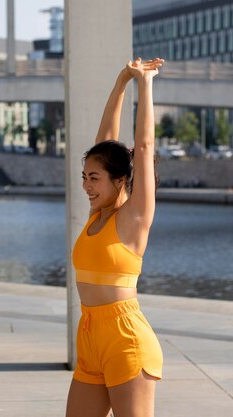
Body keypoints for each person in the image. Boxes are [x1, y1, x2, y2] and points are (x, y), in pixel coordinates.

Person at [65, 57, 165, 417]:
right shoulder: (97, 214)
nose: (86, 185)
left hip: (126, 339)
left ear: (119, 180)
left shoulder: (134, 217)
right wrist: (122, 79)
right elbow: (106, 140)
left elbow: (144, 147)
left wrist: (145, 84)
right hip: (90, 333)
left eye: (94, 178)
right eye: (84, 176)